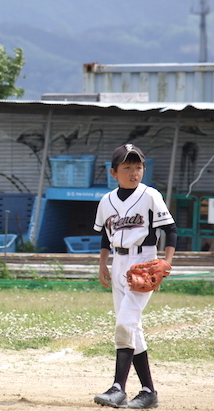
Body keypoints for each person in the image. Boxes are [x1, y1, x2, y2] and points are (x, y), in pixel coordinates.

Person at [92, 144, 177, 409]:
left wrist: (166, 262)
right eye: (127, 167)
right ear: (113, 172)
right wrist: (103, 264)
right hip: (118, 262)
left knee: (124, 323)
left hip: (144, 262)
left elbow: (171, 230)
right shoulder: (106, 201)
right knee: (132, 329)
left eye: (138, 167)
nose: (134, 172)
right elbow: (105, 236)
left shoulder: (150, 195)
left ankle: (118, 388)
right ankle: (149, 391)